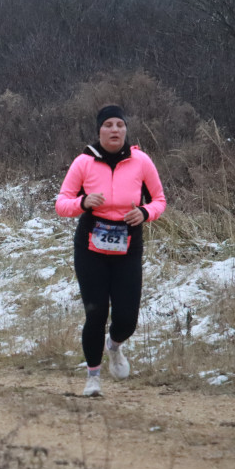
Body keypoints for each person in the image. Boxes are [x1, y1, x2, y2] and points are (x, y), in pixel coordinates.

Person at [55, 105, 167, 397]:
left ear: (126, 130)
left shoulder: (141, 161)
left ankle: (115, 346)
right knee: (95, 313)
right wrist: (83, 203)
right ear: (99, 130)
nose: (114, 130)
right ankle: (93, 377)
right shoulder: (83, 162)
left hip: (128, 243)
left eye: (119, 124)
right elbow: (61, 204)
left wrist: (145, 213)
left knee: (127, 318)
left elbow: (159, 200)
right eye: (108, 125)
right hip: (91, 243)